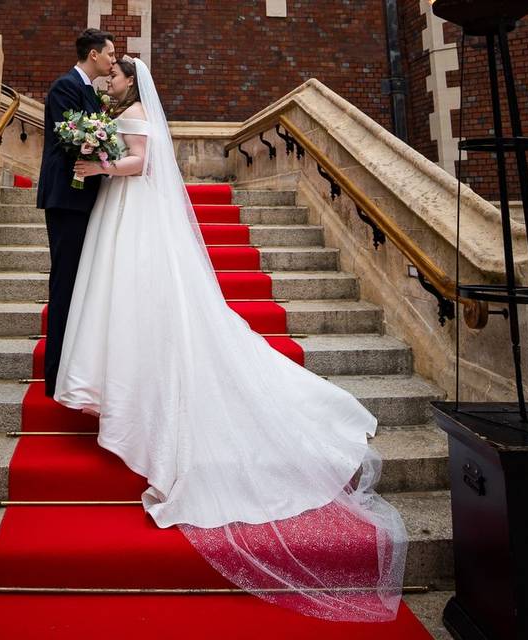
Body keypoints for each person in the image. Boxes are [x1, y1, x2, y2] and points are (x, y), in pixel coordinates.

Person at [56, 56, 408, 622]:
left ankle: (140, 396)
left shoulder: (139, 113)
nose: (110, 86)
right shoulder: (126, 110)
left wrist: (97, 164)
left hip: (131, 211)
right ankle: (125, 388)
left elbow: (139, 163)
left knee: (140, 298)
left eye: (114, 79)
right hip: (124, 218)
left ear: (130, 79)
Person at [36, 28, 116, 398]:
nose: (113, 61)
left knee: (81, 285)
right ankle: (56, 375)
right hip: (68, 198)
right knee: (65, 284)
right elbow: (72, 139)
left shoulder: (91, 92)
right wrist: (105, 149)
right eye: (111, 54)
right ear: (94, 55)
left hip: (84, 198)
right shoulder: (64, 87)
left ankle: (75, 369)